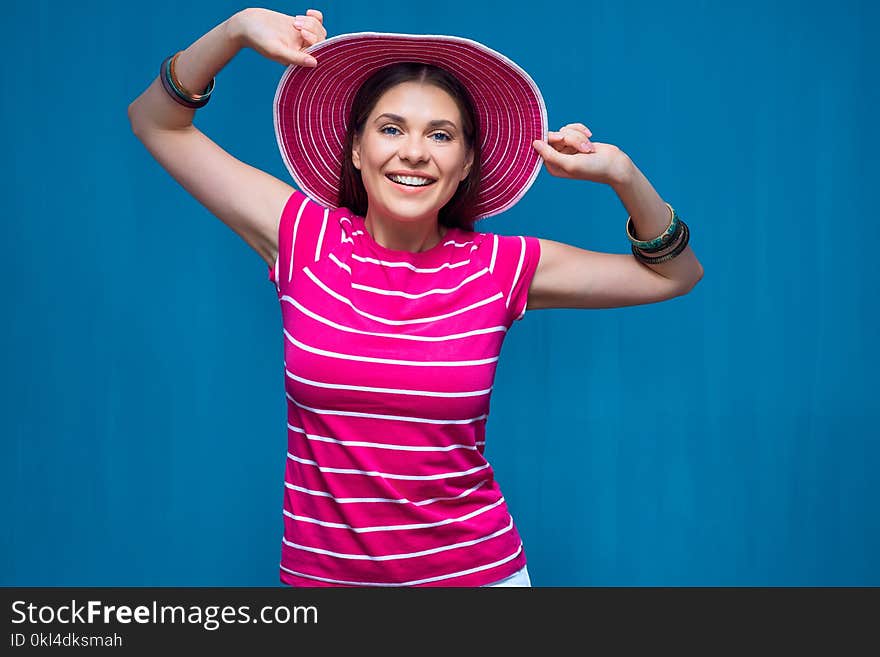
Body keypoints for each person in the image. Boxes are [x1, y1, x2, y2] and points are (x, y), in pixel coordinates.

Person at [128, 7, 703, 588]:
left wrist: (622, 176)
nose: (414, 152)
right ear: (356, 149)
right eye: (391, 128)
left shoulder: (501, 267)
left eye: (440, 135)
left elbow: (673, 275)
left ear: (465, 162)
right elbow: (157, 122)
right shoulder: (303, 237)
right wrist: (236, 29)